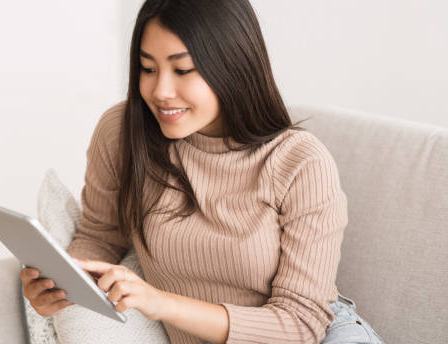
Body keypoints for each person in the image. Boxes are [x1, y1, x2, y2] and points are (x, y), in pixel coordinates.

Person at [21, 0, 384, 343]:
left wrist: (160, 302)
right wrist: (61, 282)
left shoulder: (300, 163)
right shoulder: (122, 132)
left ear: (232, 66)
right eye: (147, 68)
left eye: (183, 70)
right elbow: (101, 235)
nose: (161, 90)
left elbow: (301, 325)